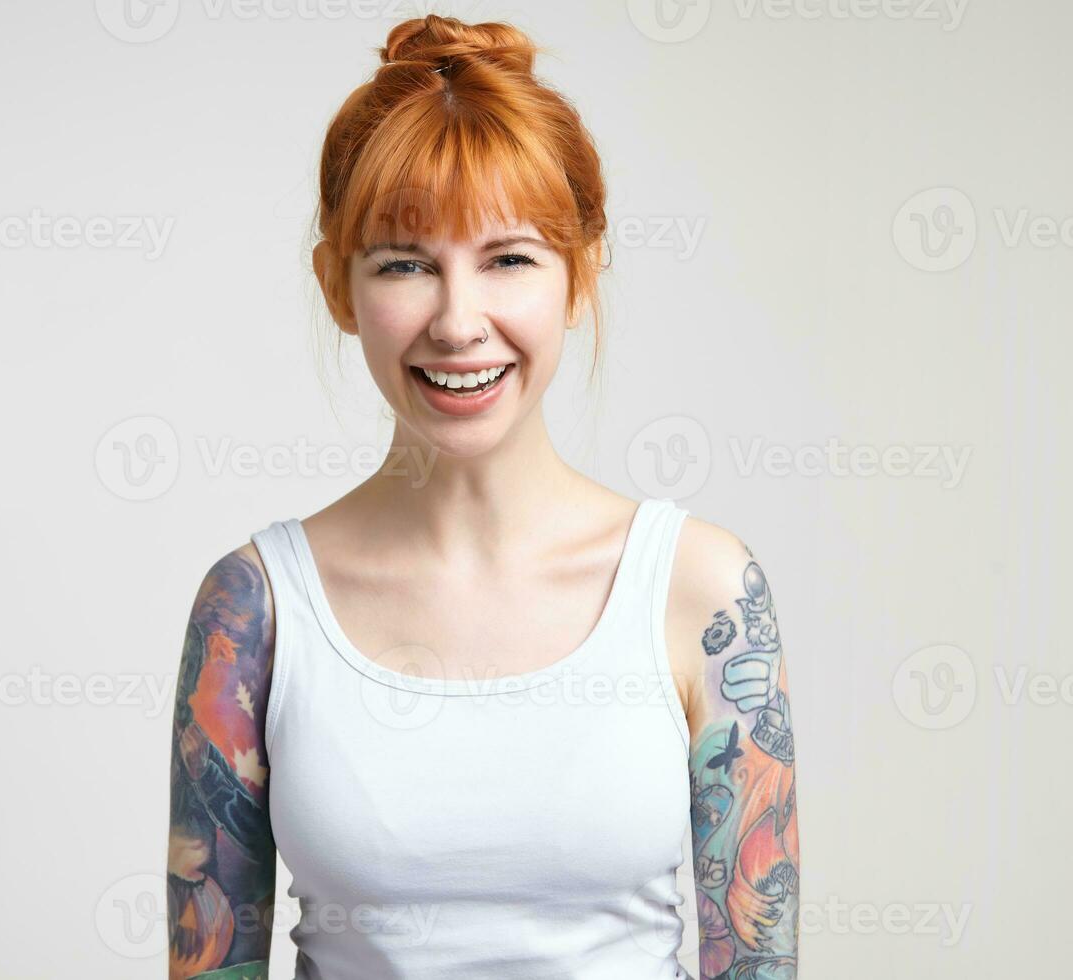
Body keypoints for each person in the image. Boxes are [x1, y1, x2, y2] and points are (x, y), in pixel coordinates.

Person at [167, 14, 800, 980]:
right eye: (406, 264)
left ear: (580, 272)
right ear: (338, 286)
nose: (460, 323)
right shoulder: (253, 608)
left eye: (509, 258)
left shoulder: (702, 589)